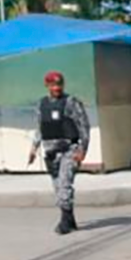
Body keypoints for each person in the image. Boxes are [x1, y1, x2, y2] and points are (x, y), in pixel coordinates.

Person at [26, 70, 90, 236]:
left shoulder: (71, 102)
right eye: (53, 84)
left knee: (64, 184)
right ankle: (70, 219)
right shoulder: (42, 104)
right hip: (51, 151)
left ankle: (65, 222)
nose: (57, 88)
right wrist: (34, 148)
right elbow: (40, 127)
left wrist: (83, 149)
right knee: (57, 186)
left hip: (69, 149)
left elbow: (84, 126)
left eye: (59, 84)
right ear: (47, 85)